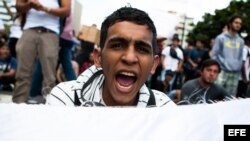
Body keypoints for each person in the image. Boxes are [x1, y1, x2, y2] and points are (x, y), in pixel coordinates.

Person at [46, 7, 176, 107]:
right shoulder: (65, 99)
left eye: (142, 49)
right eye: (117, 45)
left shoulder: (164, 110)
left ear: (153, 64)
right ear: (98, 58)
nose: (129, 58)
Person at [12, 0, 71, 103]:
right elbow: (18, 5)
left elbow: (66, 11)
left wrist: (44, 8)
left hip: (51, 32)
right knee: (22, 72)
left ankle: (49, 103)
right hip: (29, 30)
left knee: (49, 75)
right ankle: (18, 102)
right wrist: (29, 5)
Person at [211, 15, 244, 97]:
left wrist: (238, 66)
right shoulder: (220, 38)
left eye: (240, 23)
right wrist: (218, 68)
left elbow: (241, 57)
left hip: (235, 73)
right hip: (222, 71)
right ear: (230, 23)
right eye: (236, 22)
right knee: (216, 96)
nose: (238, 25)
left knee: (230, 98)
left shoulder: (241, 41)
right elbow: (214, 55)